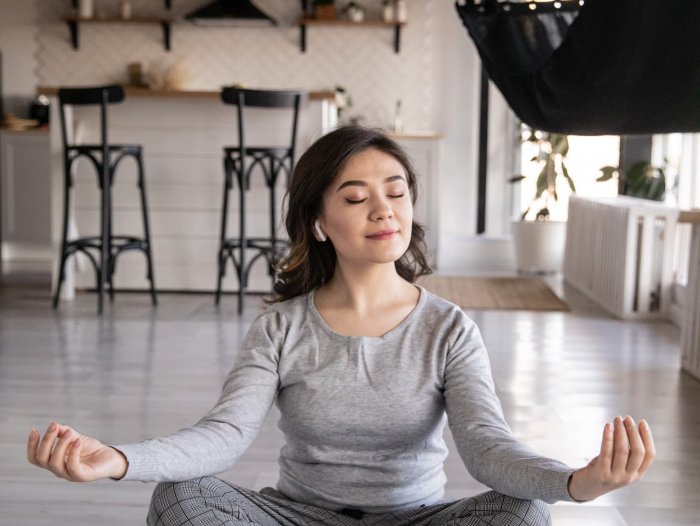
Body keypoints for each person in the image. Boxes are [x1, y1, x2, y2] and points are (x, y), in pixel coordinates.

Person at [27, 126, 655, 526]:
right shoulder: (281, 328)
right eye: (356, 197)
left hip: (415, 520)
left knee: (524, 512)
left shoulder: (449, 329)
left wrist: (575, 482)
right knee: (179, 499)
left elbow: (488, 450)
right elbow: (221, 435)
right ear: (321, 221)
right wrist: (116, 460)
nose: (384, 209)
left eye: (397, 191)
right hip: (297, 517)